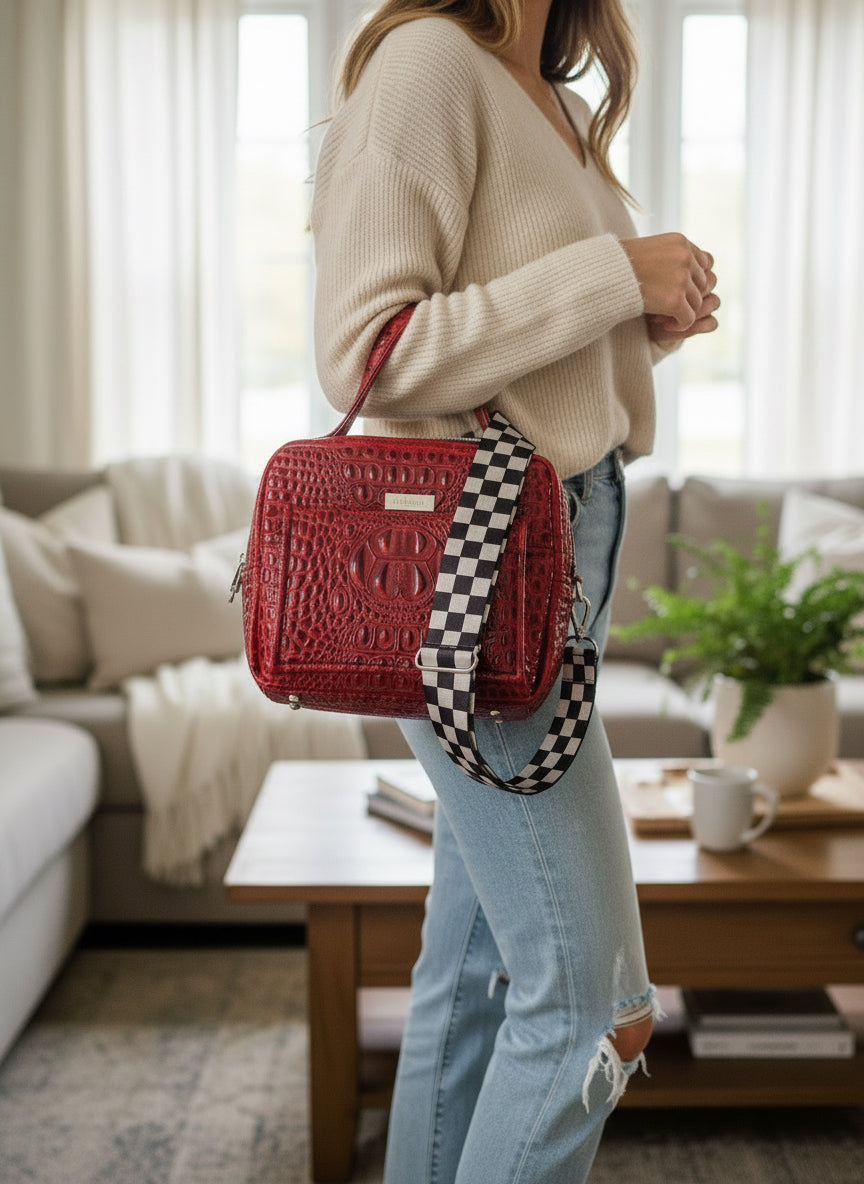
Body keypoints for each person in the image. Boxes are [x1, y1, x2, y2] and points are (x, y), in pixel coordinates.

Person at [310, 2, 719, 1180]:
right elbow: (370, 349)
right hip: (477, 568)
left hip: (562, 537)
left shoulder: (556, 98)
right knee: (598, 1009)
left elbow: (532, 341)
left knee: (476, 973)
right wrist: (611, 272)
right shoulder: (428, 61)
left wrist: (644, 319)